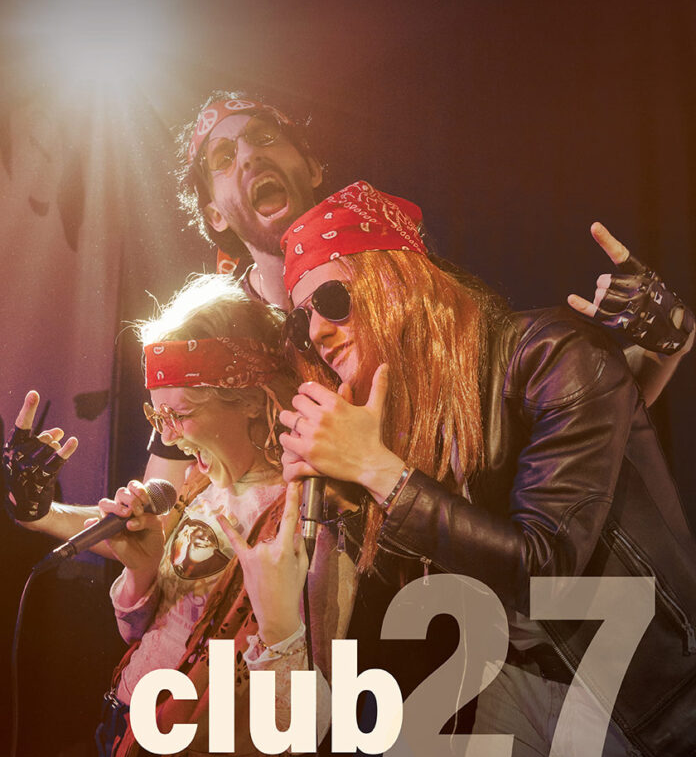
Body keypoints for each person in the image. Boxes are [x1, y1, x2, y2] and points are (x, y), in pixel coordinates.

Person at [6, 91, 693, 544]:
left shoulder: (391, 266)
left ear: (310, 163)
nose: (250, 156)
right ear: (213, 212)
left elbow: (543, 425)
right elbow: (173, 491)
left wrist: (662, 349)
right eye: (223, 158)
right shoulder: (216, 328)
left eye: (266, 138)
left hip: (440, 588)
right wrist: (47, 512)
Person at [276, 180, 696, 757]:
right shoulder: (412, 418)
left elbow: (547, 567)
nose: (316, 332)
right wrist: (345, 502)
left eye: (331, 299)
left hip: (637, 683)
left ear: (401, 283)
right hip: (525, 676)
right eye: (300, 322)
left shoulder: (555, 355)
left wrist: (380, 473)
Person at [14, 273, 352, 757]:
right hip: (130, 742)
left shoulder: (309, 514)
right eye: (157, 415)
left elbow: (308, 722)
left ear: (252, 400)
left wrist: (280, 625)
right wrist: (139, 572)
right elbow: (145, 632)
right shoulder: (200, 487)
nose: (167, 436)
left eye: (183, 414)